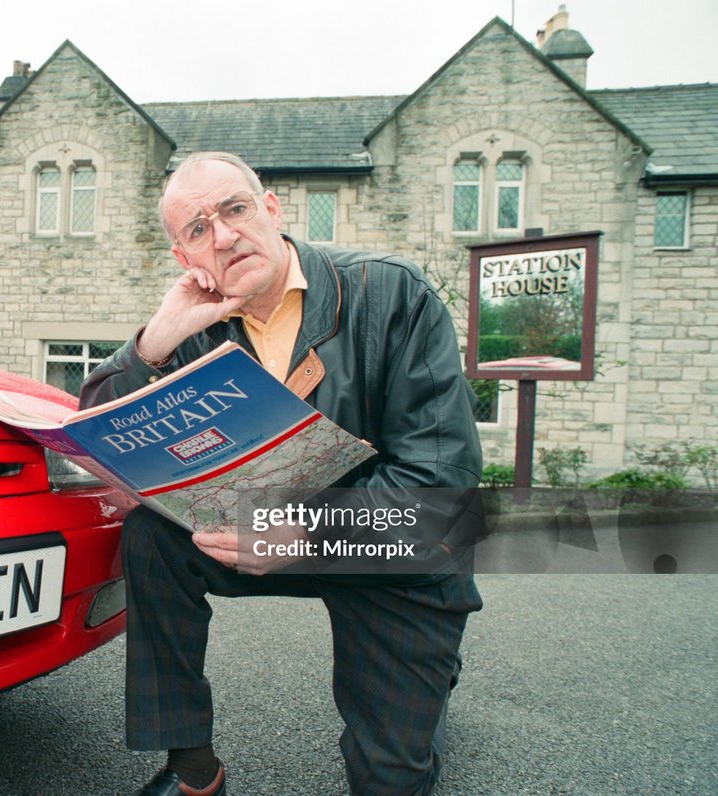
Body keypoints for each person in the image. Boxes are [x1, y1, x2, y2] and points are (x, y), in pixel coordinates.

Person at [79, 151, 484, 796]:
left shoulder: (392, 292)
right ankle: (191, 769)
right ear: (187, 259)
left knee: (391, 773)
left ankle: (429, 684)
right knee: (153, 539)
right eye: (197, 230)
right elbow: (94, 430)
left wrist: (301, 533)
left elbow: (444, 488)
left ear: (271, 209)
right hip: (256, 531)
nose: (225, 235)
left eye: (235, 209)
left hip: (389, 546)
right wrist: (153, 341)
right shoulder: (195, 325)